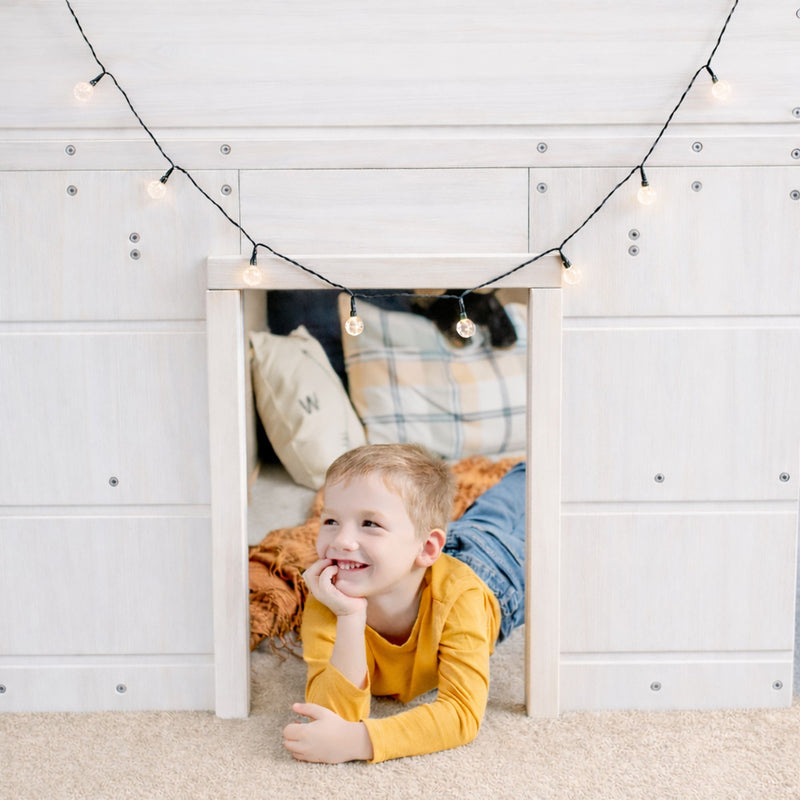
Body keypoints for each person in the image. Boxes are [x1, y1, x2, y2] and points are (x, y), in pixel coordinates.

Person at [282, 443, 526, 763]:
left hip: (495, 567)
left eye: (370, 523)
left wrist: (361, 742)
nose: (341, 540)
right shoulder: (328, 600)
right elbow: (331, 716)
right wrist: (350, 616)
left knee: (528, 491)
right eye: (331, 521)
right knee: (491, 512)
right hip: (415, 558)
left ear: (426, 547)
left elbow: (462, 714)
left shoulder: (460, 598)